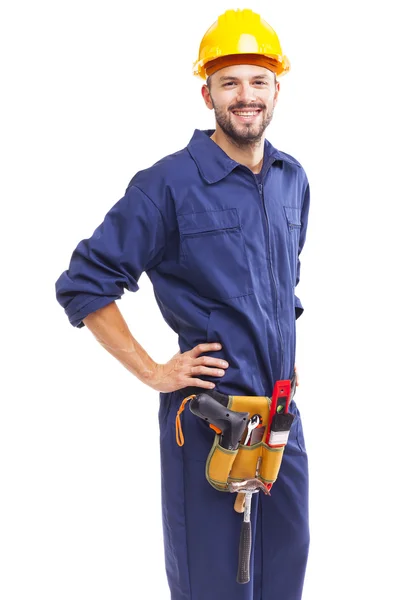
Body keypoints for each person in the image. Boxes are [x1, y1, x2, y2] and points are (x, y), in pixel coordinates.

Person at [55, 8, 311, 600]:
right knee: (217, 586)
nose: (245, 95)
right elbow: (85, 282)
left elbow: (282, 285)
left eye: (258, 81)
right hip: (210, 418)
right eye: (230, 82)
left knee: (284, 575)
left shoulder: (291, 178)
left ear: (277, 89)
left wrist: (287, 358)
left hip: (279, 421)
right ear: (207, 93)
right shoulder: (167, 184)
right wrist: (154, 372)